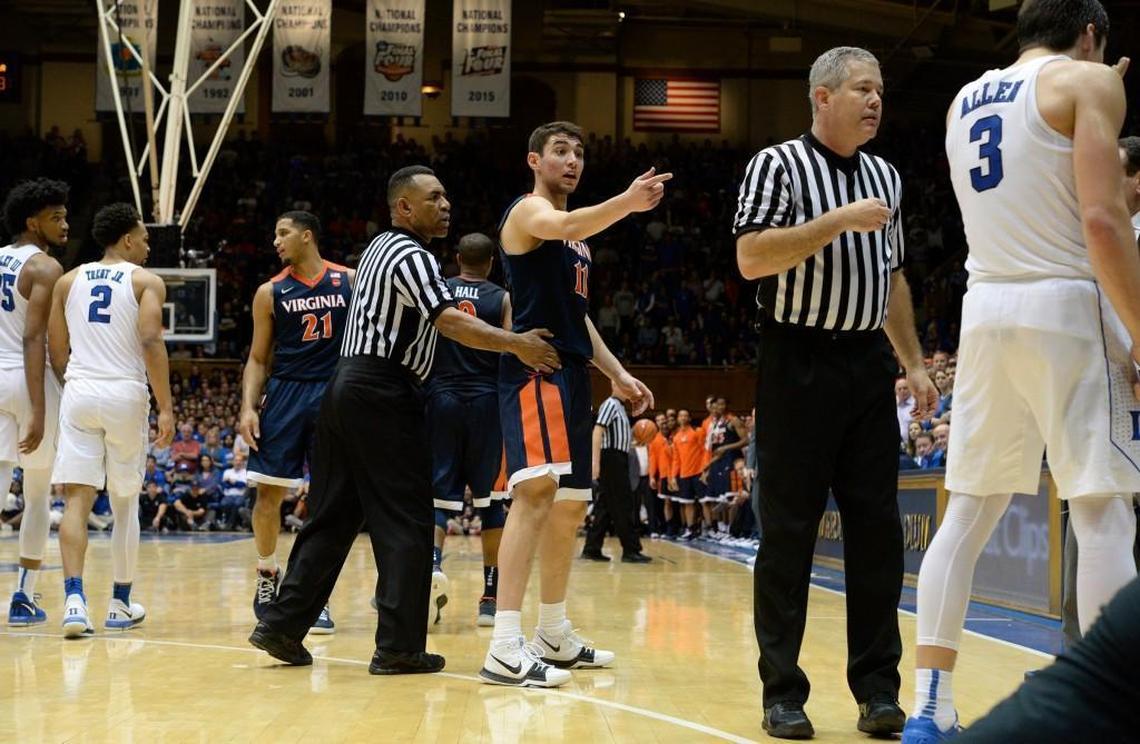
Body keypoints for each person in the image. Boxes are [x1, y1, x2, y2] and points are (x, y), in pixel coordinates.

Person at [904, 2, 1140, 741]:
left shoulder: (964, 96)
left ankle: (929, 706)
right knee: (1102, 508)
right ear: (1091, 33)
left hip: (986, 308)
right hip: (1066, 301)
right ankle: (1116, 711)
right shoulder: (1089, 84)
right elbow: (1102, 220)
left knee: (968, 513)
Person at [248, 165, 560, 675]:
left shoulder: (376, 250)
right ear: (404, 208)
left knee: (331, 515)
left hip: (347, 389)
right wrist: (515, 344)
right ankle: (398, 647)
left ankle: (282, 625)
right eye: (434, 198)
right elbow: (449, 319)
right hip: (381, 392)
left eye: (446, 197)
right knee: (409, 521)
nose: (446, 205)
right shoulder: (406, 252)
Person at [734, 46, 937, 739]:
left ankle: (878, 689)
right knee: (788, 533)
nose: (876, 100)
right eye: (861, 88)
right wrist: (837, 222)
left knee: (877, 533)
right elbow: (752, 256)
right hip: (796, 360)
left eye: (879, 90)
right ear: (822, 97)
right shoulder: (777, 164)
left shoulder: (886, 174)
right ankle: (783, 693)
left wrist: (911, 361)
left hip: (866, 366)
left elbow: (894, 277)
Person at [482, 121, 665, 688]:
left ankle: (553, 632)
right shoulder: (529, 214)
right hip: (537, 367)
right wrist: (629, 204)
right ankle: (504, 644)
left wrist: (617, 373)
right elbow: (565, 221)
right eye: (560, 151)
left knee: (569, 505)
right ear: (533, 159)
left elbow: (579, 313)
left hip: (573, 374)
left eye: (580, 153)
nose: (572, 160)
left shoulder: (577, 242)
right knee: (535, 492)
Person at [48, 203, 174, 637]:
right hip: (125, 392)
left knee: (76, 501)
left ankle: (73, 603)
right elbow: (151, 339)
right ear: (125, 240)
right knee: (124, 505)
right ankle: (119, 604)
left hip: (80, 390)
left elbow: (56, 348)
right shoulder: (145, 281)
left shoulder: (67, 281)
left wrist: (76, 384)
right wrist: (167, 405)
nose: (147, 244)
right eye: (143, 237)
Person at [239, 210, 352, 635]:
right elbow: (257, 357)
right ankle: (267, 576)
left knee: (326, 501)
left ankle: (312, 594)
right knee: (269, 492)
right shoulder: (270, 292)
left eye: (283, 233)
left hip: (334, 391)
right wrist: (248, 408)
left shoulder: (350, 281)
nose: (276, 241)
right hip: (285, 393)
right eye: (274, 234)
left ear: (308, 236)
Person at [423, 231, 512, 628]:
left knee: (439, 499)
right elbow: (511, 350)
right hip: (487, 401)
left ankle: (431, 572)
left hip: (442, 398)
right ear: (492, 261)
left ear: (457, 258)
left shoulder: (439, 292)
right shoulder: (503, 298)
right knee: (492, 501)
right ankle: (490, 598)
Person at [2, 179, 67, 626]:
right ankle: (22, 597)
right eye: (55, 217)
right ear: (32, 222)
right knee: (39, 490)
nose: (64, 224)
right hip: (27, 380)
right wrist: (40, 409)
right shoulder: (45, 267)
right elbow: (33, 337)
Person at [582, 383, 649, 563]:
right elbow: (597, 431)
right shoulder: (610, 404)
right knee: (623, 504)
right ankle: (631, 550)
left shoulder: (619, 407)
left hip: (617, 458)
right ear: (615, 385)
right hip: (611, 459)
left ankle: (591, 548)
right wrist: (595, 463)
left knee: (605, 506)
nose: (629, 389)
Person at [702, 396, 748, 537]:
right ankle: (722, 529)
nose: (719, 407)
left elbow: (746, 440)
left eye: (722, 404)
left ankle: (733, 531)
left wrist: (727, 447)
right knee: (719, 498)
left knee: (731, 498)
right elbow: (718, 449)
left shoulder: (733, 420)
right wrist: (708, 466)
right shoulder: (716, 424)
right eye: (716, 405)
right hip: (719, 462)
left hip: (732, 460)